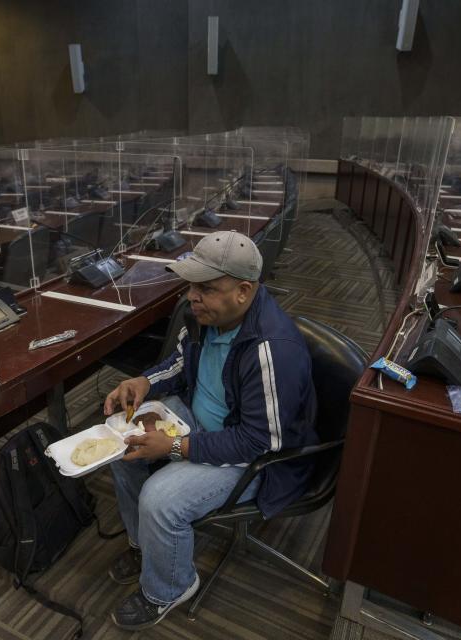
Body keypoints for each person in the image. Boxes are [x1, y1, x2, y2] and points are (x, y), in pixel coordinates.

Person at [103, 230, 317, 630]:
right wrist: (145, 382)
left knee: (160, 499)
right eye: (190, 286)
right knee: (121, 440)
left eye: (206, 288)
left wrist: (174, 447)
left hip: (254, 458)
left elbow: (261, 442)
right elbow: (181, 362)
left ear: (243, 291)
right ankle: (145, 545)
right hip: (201, 423)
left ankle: (169, 587)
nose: (191, 296)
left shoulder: (272, 349)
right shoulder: (205, 316)